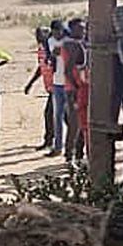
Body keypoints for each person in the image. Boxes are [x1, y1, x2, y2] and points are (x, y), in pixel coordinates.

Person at [24, 26, 55, 150]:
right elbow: (40, 68)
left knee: (50, 114)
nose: (38, 37)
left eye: (41, 34)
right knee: (58, 116)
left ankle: (50, 141)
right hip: (51, 88)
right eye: (37, 34)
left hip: (58, 87)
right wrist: (30, 83)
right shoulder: (41, 50)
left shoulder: (52, 48)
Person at [63, 18, 90, 162]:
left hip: (79, 87)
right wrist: (76, 87)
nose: (83, 31)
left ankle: (78, 155)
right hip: (75, 89)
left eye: (84, 28)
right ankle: (70, 155)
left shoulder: (78, 44)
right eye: (79, 29)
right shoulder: (72, 45)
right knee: (75, 125)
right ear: (72, 29)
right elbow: (68, 71)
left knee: (82, 124)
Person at [46, 20, 69, 157]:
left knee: (71, 116)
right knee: (57, 116)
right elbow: (55, 53)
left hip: (69, 82)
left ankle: (71, 147)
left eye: (59, 30)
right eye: (55, 31)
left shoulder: (68, 40)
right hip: (57, 82)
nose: (58, 33)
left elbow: (58, 52)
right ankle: (58, 146)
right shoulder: (51, 41)